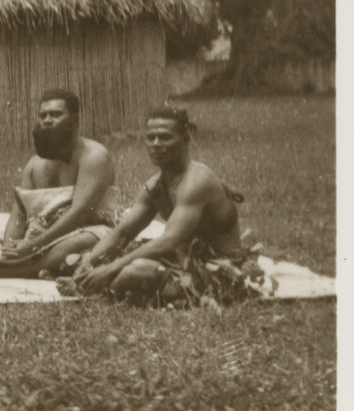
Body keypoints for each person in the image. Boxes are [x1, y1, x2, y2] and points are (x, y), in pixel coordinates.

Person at [67, 105, 271, 307]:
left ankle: (101, 291)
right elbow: (121, 233)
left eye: (165, 137)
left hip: (221, 271)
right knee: (101, 258)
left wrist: (110, 270)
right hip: (180, 262)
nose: (156, 144)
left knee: (134, 270)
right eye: (150, 138)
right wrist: (87, 266)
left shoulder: (196, 181)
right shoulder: (156, 185)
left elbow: (168, 241)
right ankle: (94, 284)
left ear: (185, 140)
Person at [0, 88, 118, 280]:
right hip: (42, 237)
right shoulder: (34, 164)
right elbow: (19, 213)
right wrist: (10, 246)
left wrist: (31, 246)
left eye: (55, 114)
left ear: (74, 120)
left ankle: (10, 270)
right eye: (42, 115)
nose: (47, 120)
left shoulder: (94, 156)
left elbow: (81, 213)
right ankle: (37, 266)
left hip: (88, 230)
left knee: (79, 243)